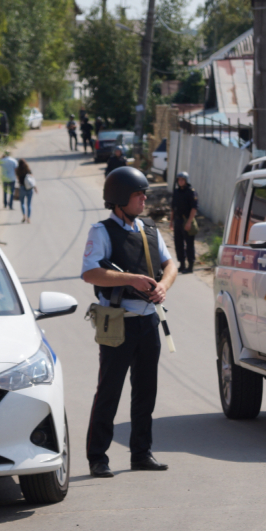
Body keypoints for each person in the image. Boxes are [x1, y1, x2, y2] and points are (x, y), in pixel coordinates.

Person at [80, 166, 178, 478]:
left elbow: (169, 264)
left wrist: (163, 286)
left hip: (148, 321)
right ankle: (98, 457)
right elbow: (90, 272)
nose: (144, 198)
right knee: (109, 391)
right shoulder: (102, 231)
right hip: (117, 320)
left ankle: (141, 453)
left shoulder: (149, 230)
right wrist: (132, 279)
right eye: (138, 194)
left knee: (145, 391)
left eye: (143, 193)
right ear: (120, 199)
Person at [170, 171, 199, 273]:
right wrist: (171, 222)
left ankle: (190, 265)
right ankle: (182, 264)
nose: (180, 181)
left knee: (189, 244)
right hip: (177, 221)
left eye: (182, 180)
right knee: (178, 243)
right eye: (179, 180)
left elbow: (194, 208)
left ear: (186, 180)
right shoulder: (176, 192)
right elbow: (173, 208)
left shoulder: (191, 192)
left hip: (187, 220)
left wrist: (189, 222)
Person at [16, 158, 36, 224]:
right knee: (29, 204)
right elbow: (32, 179)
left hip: (22, 187)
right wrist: (35, 187)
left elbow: (18, 179)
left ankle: (24, 215)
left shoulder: (17, 170)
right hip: (30, 188)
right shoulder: (28, 169)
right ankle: (29, 218)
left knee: (22, 203)